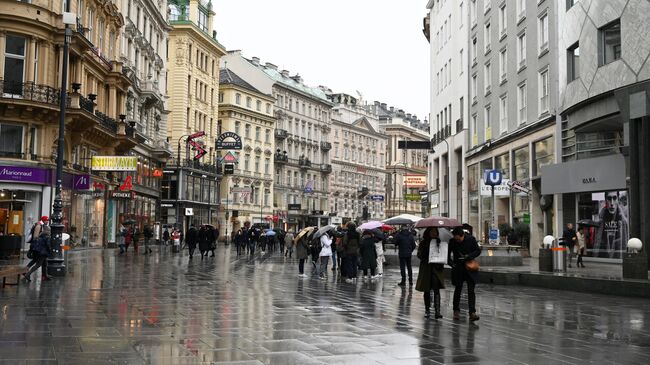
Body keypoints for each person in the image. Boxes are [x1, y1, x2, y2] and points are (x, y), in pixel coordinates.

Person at [449, 226, 481, 321]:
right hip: (458, 268)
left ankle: (472, 312)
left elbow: (478, 250)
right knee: (458, 290)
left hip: (469, 268)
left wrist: (469, 256)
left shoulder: (471, 239)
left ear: (462, 235)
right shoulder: (452, 241)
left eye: (459, 239)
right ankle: (456, 311)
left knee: (471, 290)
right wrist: (452, 264)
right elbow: (447, 255)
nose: (457, 240)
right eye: (456, 239)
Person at [416, 227, 445, 319]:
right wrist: (427, 251)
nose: (434, 233)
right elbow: (419, 255)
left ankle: (437, 311)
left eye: (435, 232)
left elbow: (443, 254)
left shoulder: (439, 242)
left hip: (437, 268)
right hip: (426, 268)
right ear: (428, 233)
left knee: (436, 289)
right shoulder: (423, 243)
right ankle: (427, 310)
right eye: (432, 232)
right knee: (427, 289)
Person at [595, 191, 630, 258]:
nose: (612, 203)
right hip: (603, 257)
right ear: (605, 200)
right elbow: (597, 242)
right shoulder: (601, 218)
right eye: (609, 199)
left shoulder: (623, 220)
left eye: (614, 198)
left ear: (618, 200)